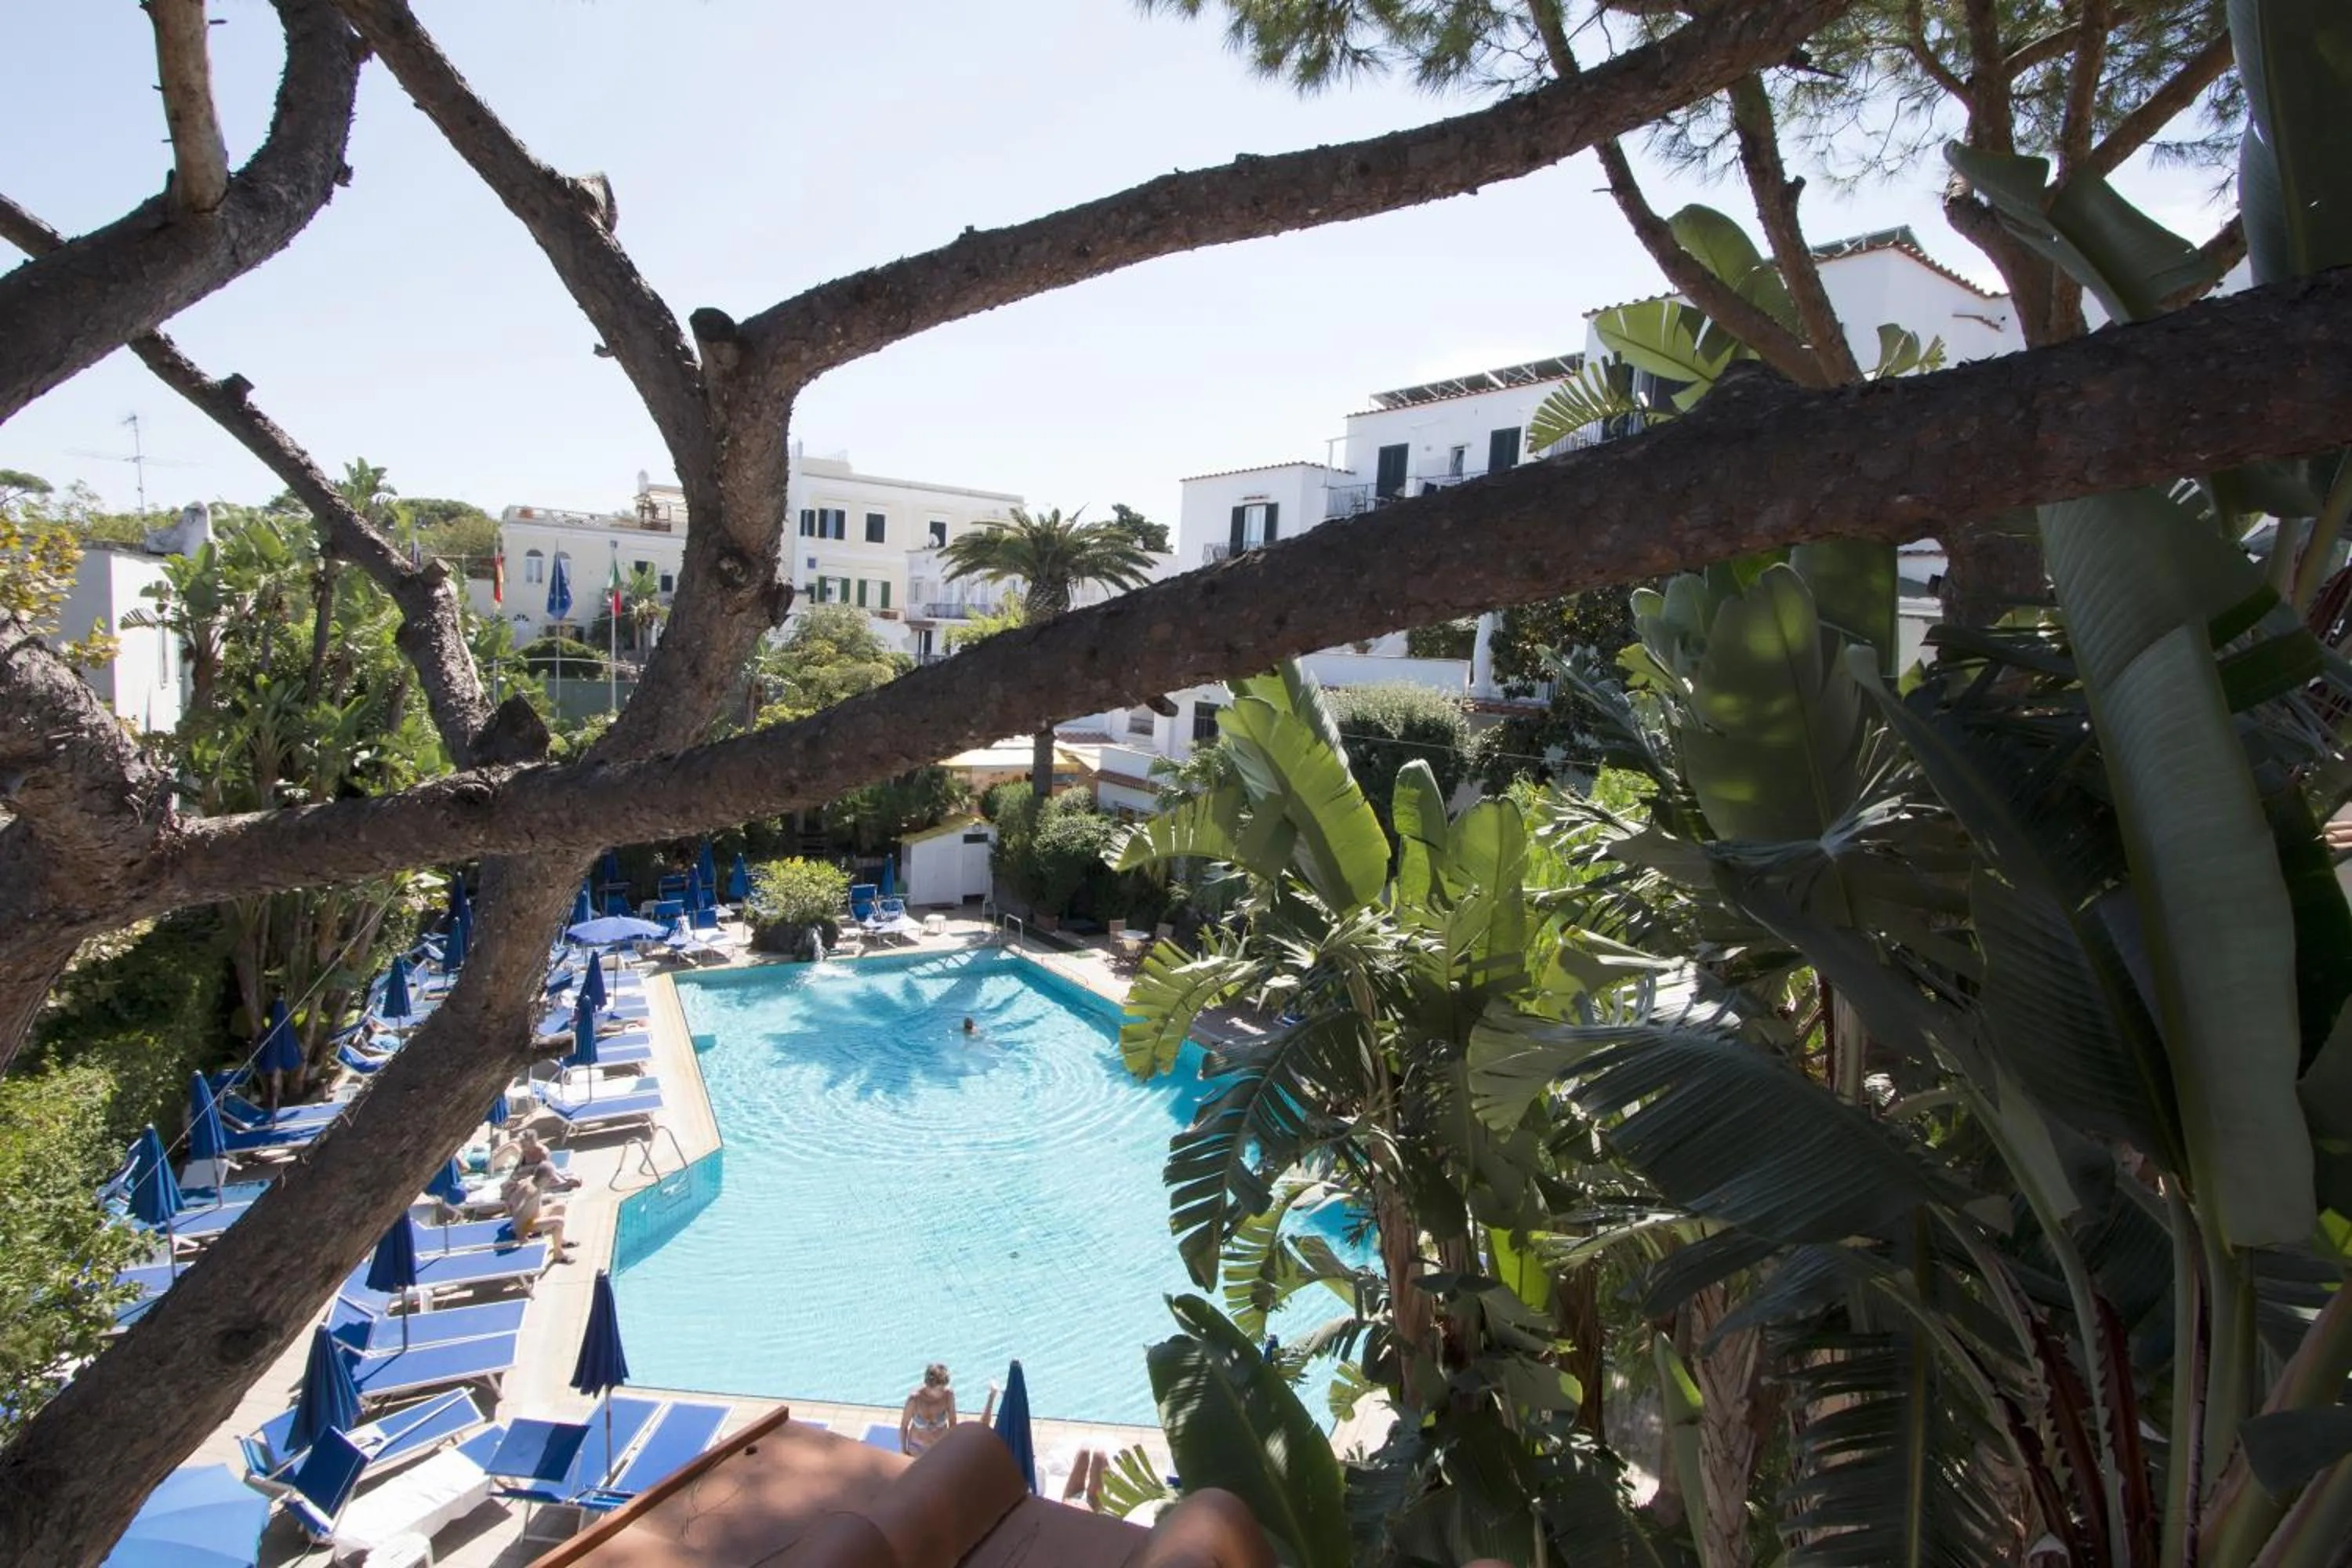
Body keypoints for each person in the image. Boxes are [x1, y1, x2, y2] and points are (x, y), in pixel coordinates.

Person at [898, 1365, 1000, 1457]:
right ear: (929, 1386)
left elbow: (952, 1422)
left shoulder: (948, 1395)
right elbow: (904, 1427)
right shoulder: (915, 1400)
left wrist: (952, 1447)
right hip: (917, 1448)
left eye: (944, 1387)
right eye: (940, 1389)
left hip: (941, 1447)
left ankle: (992, 1396)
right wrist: (904, 1451)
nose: (943, 1391)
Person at [502, 1168, 576, 1261]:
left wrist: (570, 1182)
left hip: (537, 1214)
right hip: (527, 1224)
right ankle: (558, 1254)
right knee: (559, 1222)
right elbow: (516, 1208)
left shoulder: (533, 1179)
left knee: (561, 1206)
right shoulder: (531, 1191)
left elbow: (510, 1199)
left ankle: (560, 1240)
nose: (552, 1181)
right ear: (544, 1179)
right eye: (551, 1179)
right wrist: (520, 1233)